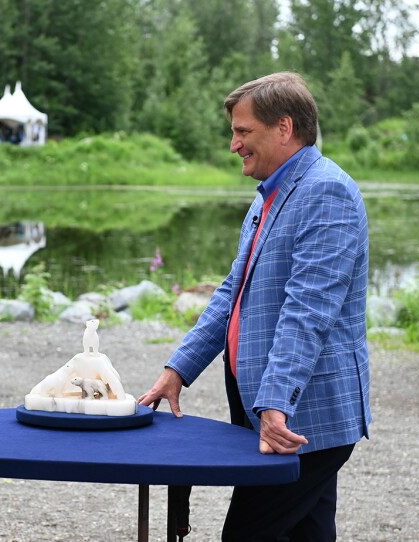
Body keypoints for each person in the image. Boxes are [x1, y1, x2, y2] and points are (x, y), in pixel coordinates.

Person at [138, 72, 371, 541]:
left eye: (243, 132)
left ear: (283, 128)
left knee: (247, 534)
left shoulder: (327, 192)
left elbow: (308, 312)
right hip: (276, 412)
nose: (233, 145)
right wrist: (178, 369)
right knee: (307, 532)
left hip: (303, 419)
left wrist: (272, 404)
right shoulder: (271, 192)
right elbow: (231, 293)